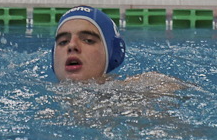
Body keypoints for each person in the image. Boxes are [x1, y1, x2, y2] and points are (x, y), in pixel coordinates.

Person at [51, 6, 187, 91]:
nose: (72, 45)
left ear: (112, 54)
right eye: (63, 42)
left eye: (88, 40)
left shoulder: (130, 93)